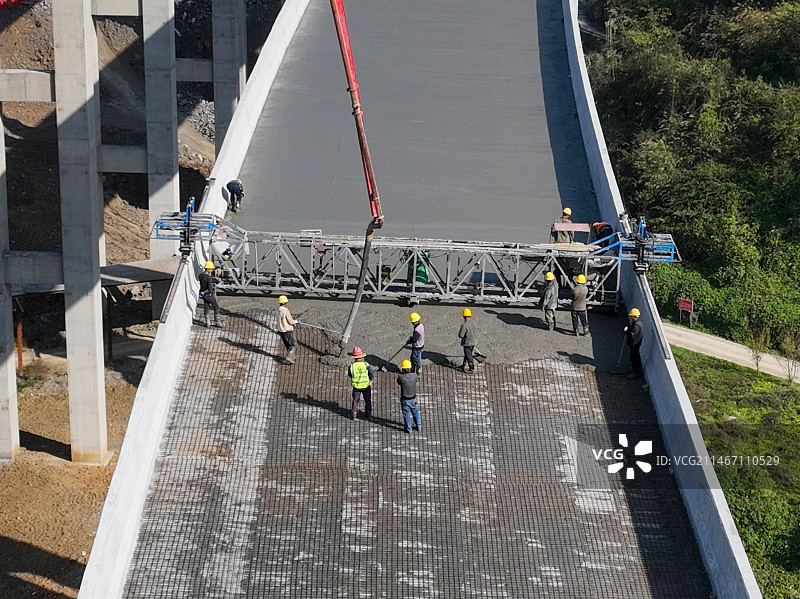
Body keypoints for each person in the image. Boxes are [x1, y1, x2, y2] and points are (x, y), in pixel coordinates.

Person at [348, 347, 374, 420]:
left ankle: (354, 415)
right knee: (367, 400)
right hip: (366, 386)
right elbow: (372, 374)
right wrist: (369, 378)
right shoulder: (366, 364)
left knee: (355, 400)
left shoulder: (352, 366)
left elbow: (350, 375)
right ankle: (368, 415)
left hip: (356, 386)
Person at [396, 359, 421, 433]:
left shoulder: (401, 377)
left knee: (406, 414)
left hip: (404, 398)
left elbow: (398, 382)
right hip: (413, 397)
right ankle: (418, 425)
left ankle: (408, 428)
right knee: (415, 411)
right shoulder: (414, 375)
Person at [198, 261, 221, 327]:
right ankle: (217, 322)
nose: (212, 270)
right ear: (208, 269)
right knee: (216, 307)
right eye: (211, 268)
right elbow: (210, 288)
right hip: (209, 295)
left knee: (206, 307)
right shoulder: (208, 277)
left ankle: (207, 322)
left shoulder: (201, 276)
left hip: (203, 295)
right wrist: (213, 287)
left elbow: (203, 284)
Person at [277, 295, 297, 363]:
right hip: (287, 330)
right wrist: (296, 321)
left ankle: (292, 357)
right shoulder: (286, 310)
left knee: (288, 345)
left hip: (281, 330)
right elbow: (290, 321)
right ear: (286, 302)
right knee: (293, 344)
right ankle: (289, 357)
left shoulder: (278, 310)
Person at [457, 308, 477, 373]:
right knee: (467, 354)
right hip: (473, 341)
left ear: (463, 316)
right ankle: (463, 365)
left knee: (468, 355)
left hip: (467, 343)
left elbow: (461, 335)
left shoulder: (464, 325)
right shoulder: (473, 322)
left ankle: (472, 369)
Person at [626, 308, 644, 378]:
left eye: (632, 316)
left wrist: (627, 332)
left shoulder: (636, 326)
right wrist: (629, 328)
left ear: (634, 316)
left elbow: (632, 335)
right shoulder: (639, 323)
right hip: (637, 343)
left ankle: (636, 373)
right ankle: (637, 371)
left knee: (633, 358)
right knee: (636, 357)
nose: (631, 317)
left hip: (635, 344)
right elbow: (632, 328)